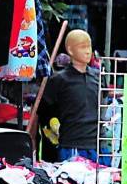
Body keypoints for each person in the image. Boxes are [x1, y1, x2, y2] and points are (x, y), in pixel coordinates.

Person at [40, 30, 99, 161]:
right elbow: (44, 110)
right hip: (71, 144)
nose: (88, 51)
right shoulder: (59, 79)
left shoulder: (99, 78)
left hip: (97, 145)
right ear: (70, 50)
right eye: (83, 47)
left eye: (89, 46)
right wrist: (53, 125)